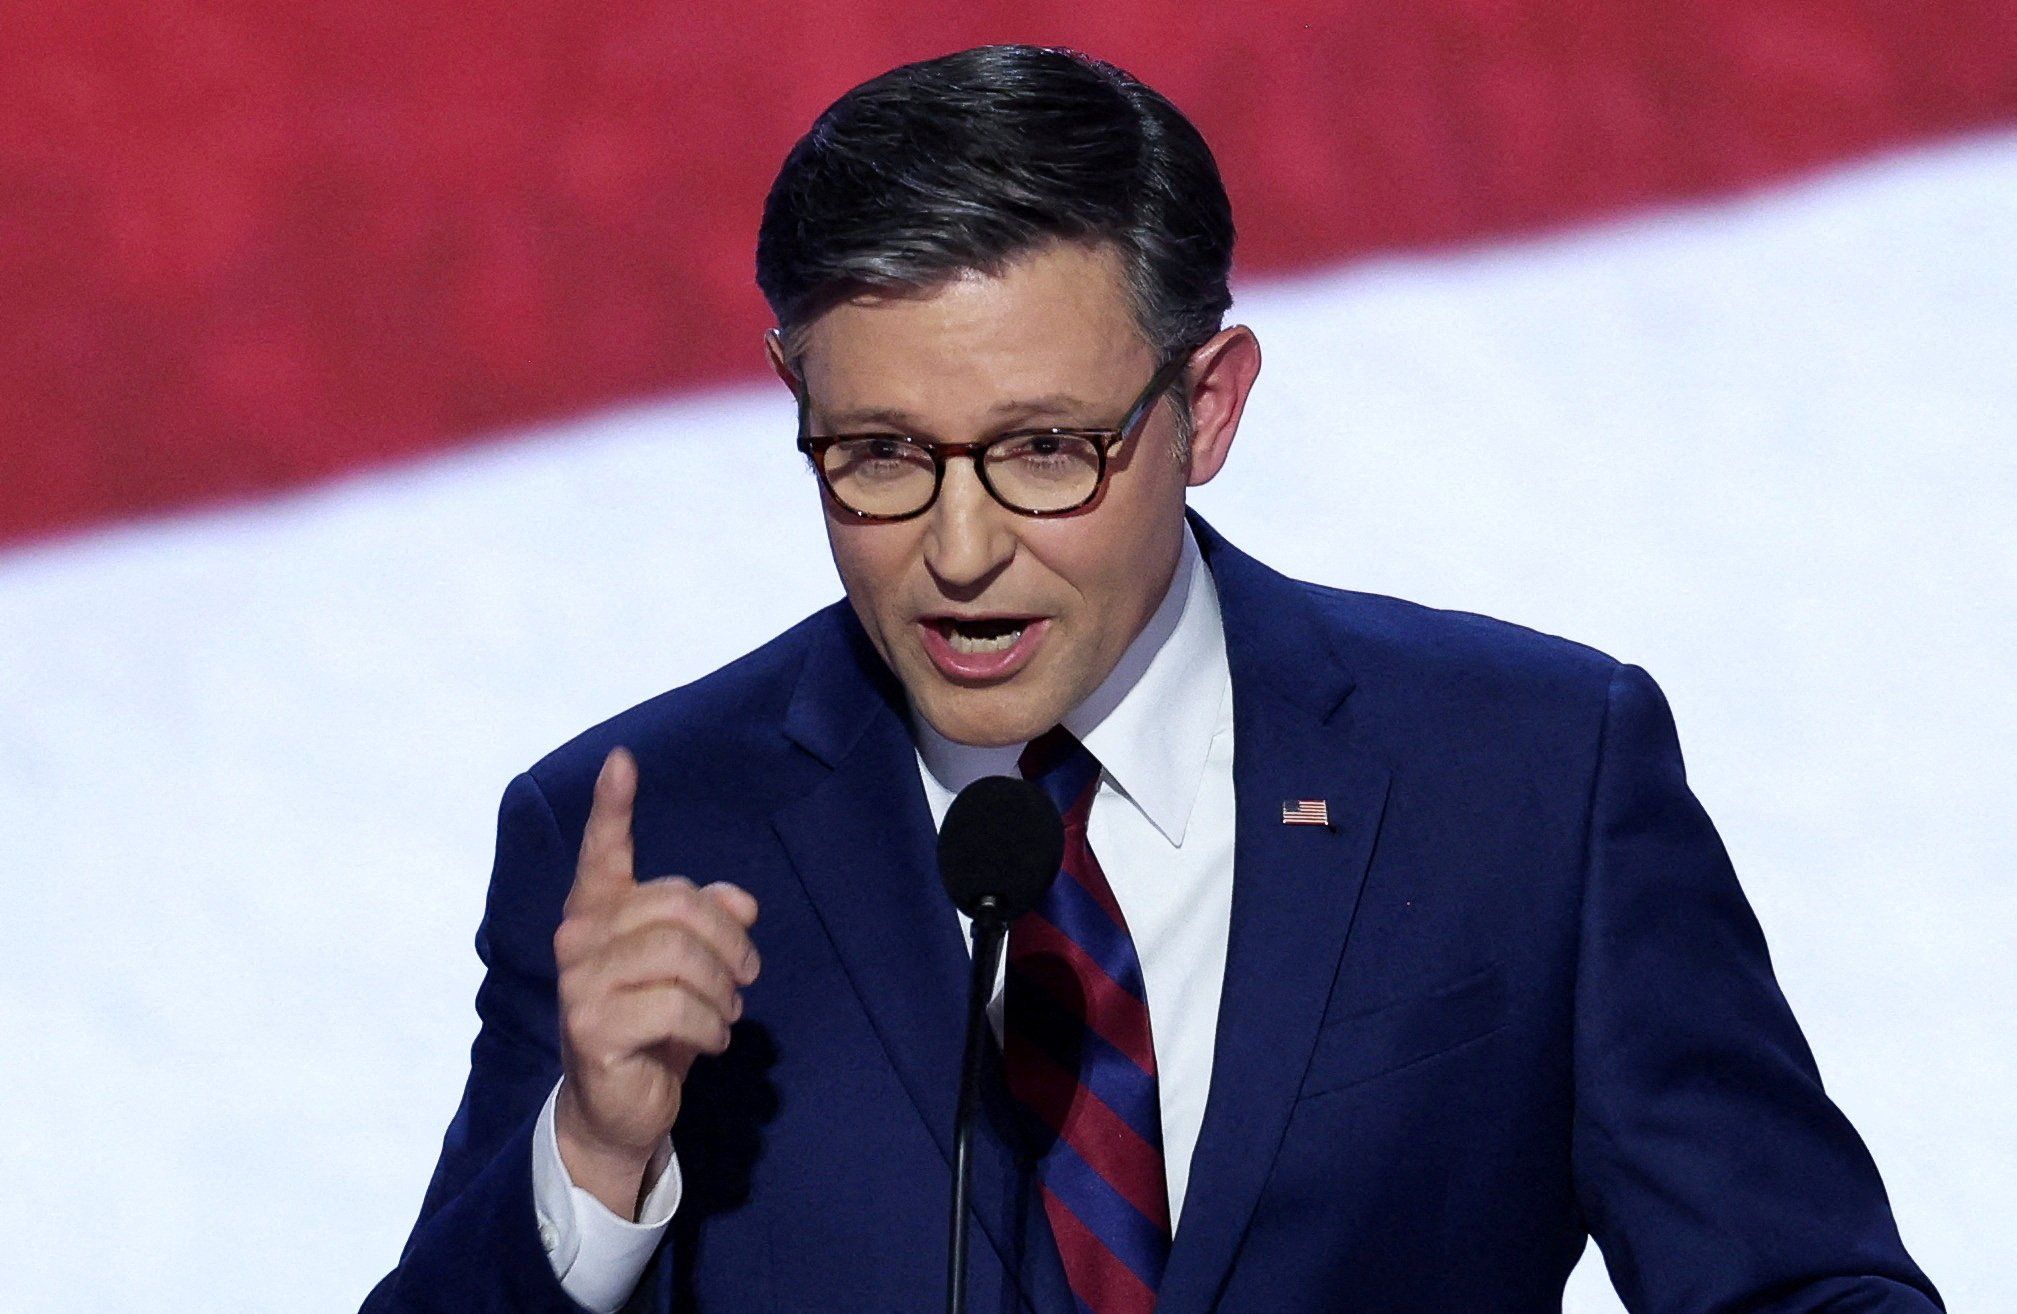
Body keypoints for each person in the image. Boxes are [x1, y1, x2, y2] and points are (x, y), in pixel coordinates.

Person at [363, 44, 1942, 1314]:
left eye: (1046, 448)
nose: (960, 550)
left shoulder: (1527, 777)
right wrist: (594, 1161)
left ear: (1209, 405)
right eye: (879, 456)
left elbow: (1801, 1283)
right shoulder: (647, 831)